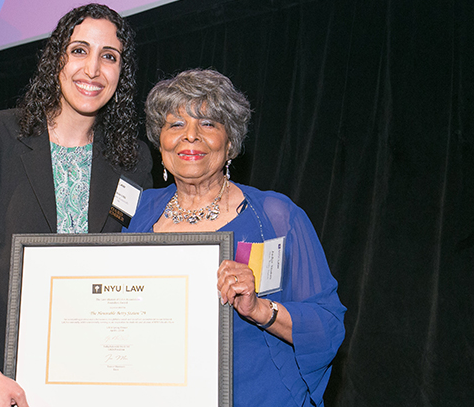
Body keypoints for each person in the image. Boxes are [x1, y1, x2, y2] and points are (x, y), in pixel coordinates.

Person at [0, 4, 153, 407]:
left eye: (109, 56)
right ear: (56, 58)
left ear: (122, 73)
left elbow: (139, 266)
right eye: (79, 50)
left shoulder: (134, 161)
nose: (93, 70)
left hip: (93, 378)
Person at [126, 69, 345, 406]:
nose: (191, 136)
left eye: (209, 124)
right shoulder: (138, 213)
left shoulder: (276, 217)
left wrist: (259, 309)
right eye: (176, 124)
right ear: (160, 143)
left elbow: (327, 327)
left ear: (230, 144)